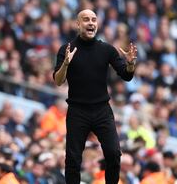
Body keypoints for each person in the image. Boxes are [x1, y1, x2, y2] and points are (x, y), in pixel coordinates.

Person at [53, 9, 137, 184]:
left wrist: (130, 64)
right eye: (86, 20)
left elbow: (127, 75)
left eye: (93, 20)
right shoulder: (67, 49)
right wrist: (66, 64)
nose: (90, 23)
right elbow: (58, 81)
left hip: (102, 110)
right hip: (78, 111)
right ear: (78, 24)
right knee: (73, 159)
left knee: (114, 153)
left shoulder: (106, 49)